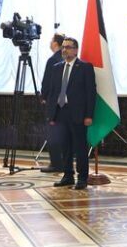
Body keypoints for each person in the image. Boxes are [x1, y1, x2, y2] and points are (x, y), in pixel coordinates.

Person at [46, 37, 96, 190]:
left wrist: (89, 115)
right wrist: (52, 115)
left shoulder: (85, 67)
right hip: (61, 112)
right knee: (64, 147)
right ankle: (68, 175)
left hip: (78, 114)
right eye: (63, 47)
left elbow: (90, 93)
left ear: (75, 50)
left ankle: (82, 178)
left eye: (68, 47)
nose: (64, 50)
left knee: (80, 147)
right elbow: (53, 93)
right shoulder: (56, 67)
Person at [39, 33, 65, 173]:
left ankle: (56, 164)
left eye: (51, 40)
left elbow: (47, 81)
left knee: (52, 134)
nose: (50, 42)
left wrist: (43, 96)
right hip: (65, 103)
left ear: (55, 43)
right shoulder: (65, 59)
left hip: (52, 103)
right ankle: (64, 162)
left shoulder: (52, 60)